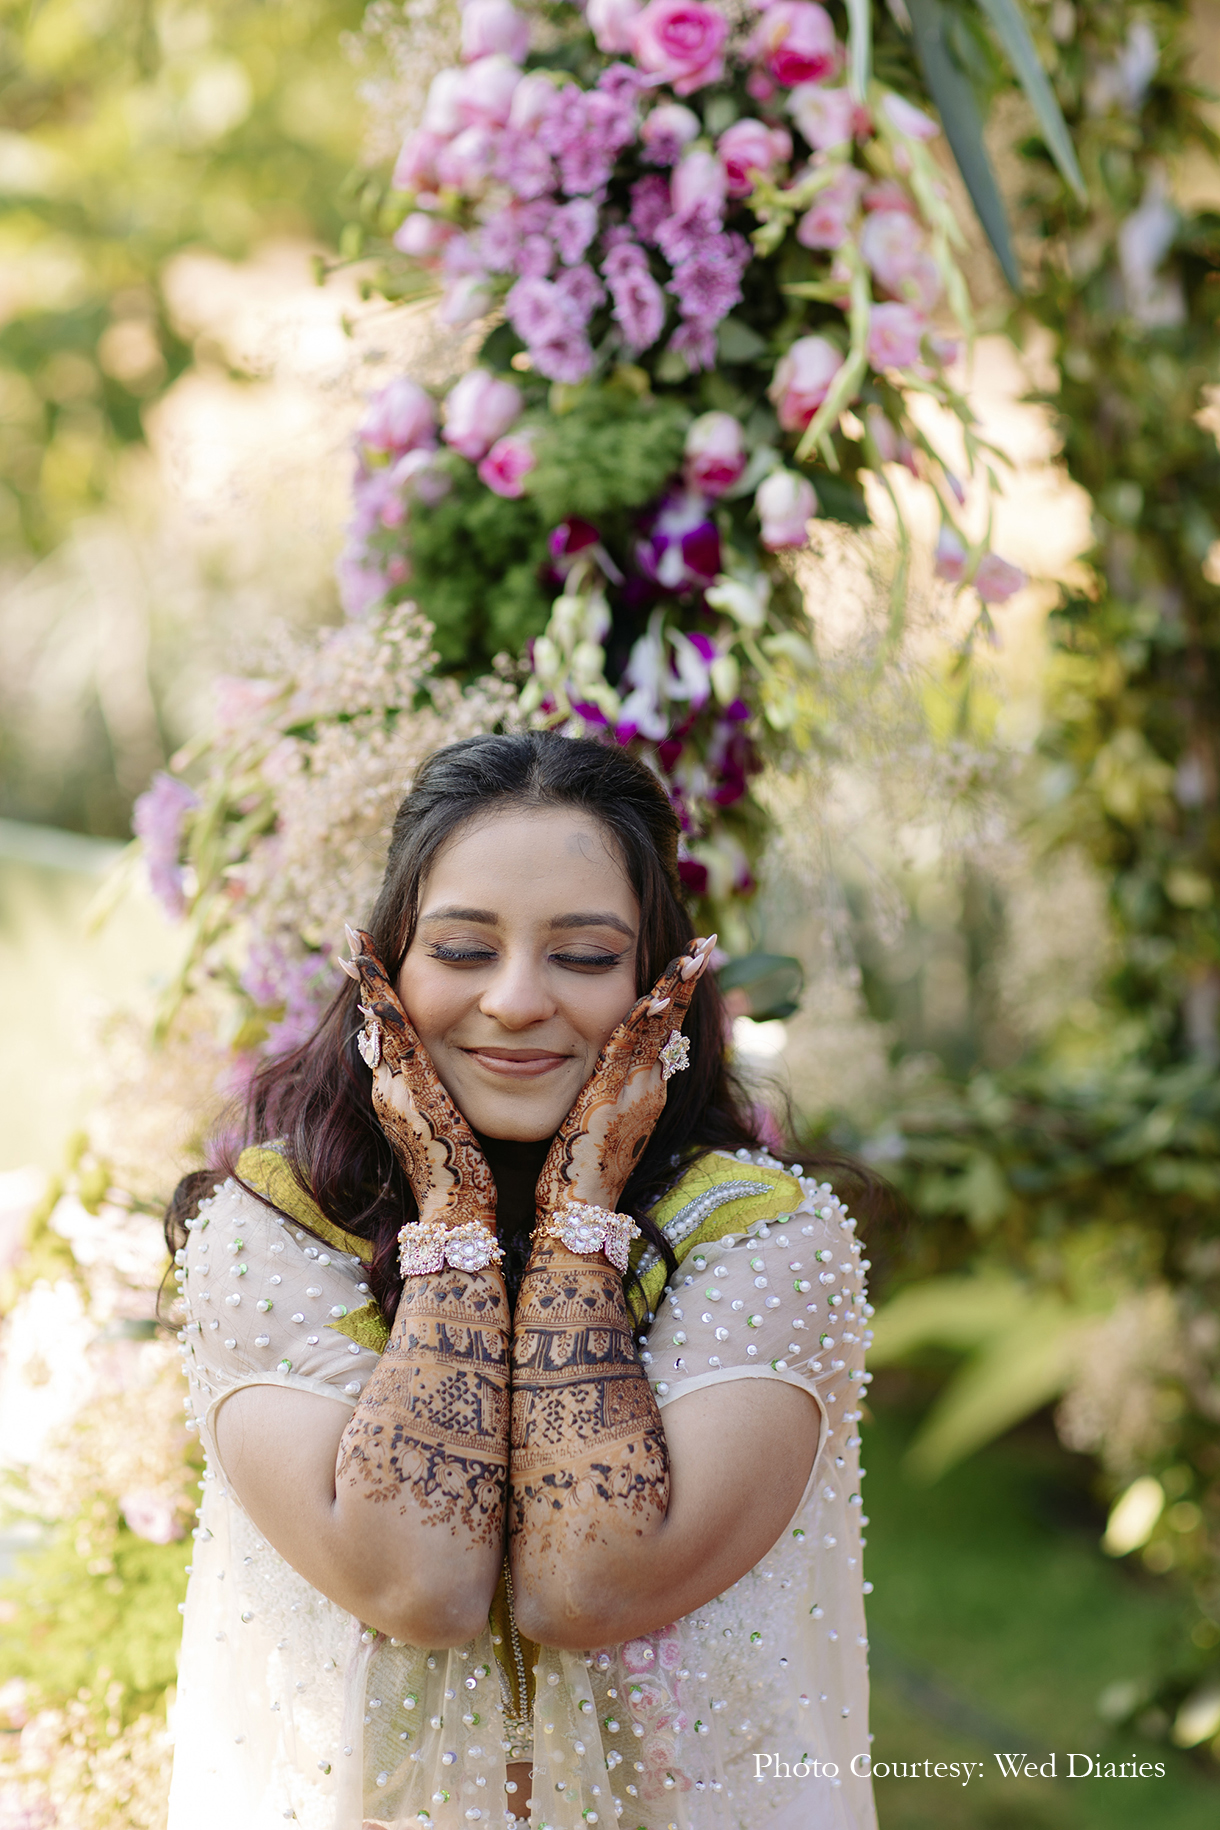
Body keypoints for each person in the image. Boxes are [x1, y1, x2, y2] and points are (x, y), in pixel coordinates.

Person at [164, 731, 877, 1830]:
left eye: (584, 958)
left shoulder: (763, 1242)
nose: (512, 1000)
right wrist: (451, 1213)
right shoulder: (274, 1231)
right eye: (459, 950)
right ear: (383, 970)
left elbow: (585, 1586)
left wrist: (580, 1217)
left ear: (661, 986)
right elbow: (418, 1583)